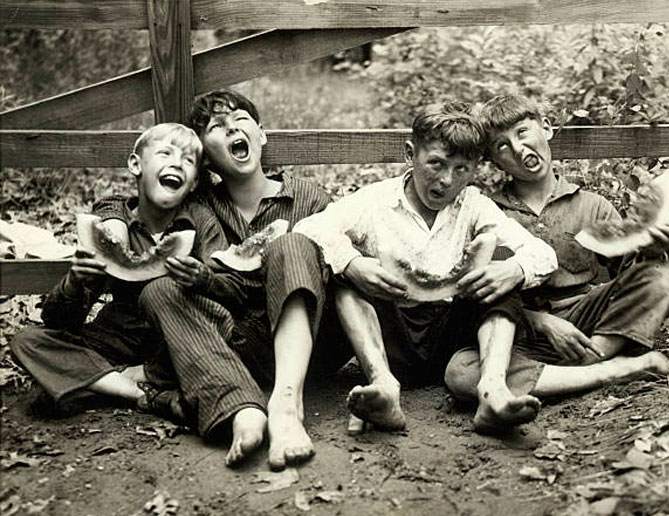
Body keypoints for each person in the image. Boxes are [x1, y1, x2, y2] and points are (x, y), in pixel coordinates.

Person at [95, 90, 334, 470]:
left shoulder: (307, 196)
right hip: (231, 343)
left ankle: (287, 404)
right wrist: (109, 217)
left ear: (261, 134)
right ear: (206, 155)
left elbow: (338, 261)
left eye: (239, 119)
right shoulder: (200, 205)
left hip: (312, 345)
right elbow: (136, 204)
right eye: (215, 127)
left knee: (290, 243)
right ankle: (240, 408)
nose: (230, 128)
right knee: (159, 290)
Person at [294, 101, 559, 434]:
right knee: (343, 274)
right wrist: (352, 263)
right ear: (410, 154)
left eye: (462, 169)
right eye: (436, 163)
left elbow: (542, 253)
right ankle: (383, 386)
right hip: (390, 341)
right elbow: (309, 228)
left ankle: (493, 389)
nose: (446, 180)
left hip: (450, 341)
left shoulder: (473, 205)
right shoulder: (375, 201)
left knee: (501, 267)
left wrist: (516, 269)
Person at [445, 94, 669, 413]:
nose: (517, 149)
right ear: (494, 160)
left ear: (546, 128)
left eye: (522, 132)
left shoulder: (592, 204)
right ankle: (607, 370)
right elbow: (481, 295)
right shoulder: (489, 211)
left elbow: (630, 274)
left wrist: (649, 250)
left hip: (589, 322)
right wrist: (542, 322)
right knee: (459, 372)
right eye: (502, 146)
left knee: (665, 277)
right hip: (521, 330)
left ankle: (593, 356)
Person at [11, 123, 224, 422]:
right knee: (27, 342)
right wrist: (74, 282)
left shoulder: (201, 222)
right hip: (115, 339)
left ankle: (104, 382)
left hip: (172, 342)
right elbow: (60, 321)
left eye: (188, 160)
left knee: (50, 393)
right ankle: (143, 394)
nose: (177, 162)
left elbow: (222, 290)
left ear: (192, 183)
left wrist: (201, 278)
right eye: (165, 153)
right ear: (136, 164)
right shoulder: (112, 224)